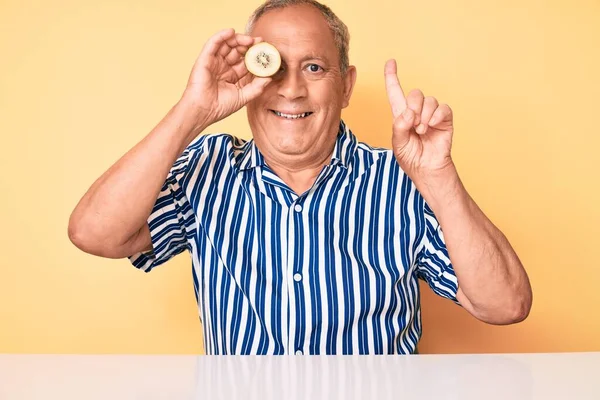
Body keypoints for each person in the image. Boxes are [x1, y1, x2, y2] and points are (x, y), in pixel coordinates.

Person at [68, 0, 532, 355]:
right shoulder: (208, 168)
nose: (290, 90)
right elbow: (94, 233)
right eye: (272, 66)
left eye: (313, 67)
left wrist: (439, 176)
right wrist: (193, 111)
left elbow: (505, 306)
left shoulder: (405, 179)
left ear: (346, 85)